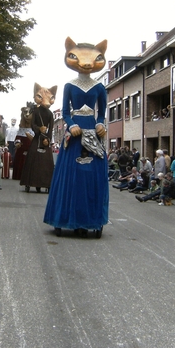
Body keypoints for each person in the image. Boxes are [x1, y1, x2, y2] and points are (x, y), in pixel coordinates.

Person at [43, 38, 109, 237]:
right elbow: (65, 111)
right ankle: (66, 217)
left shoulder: (99, 87)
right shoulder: (69, 86)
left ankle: (91, 219)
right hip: (76, 131)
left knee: (93, 174)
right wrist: (71, 126)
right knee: (69, 175)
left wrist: (100, 124)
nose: (86, 64)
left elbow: (101, 113)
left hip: (91, 129)